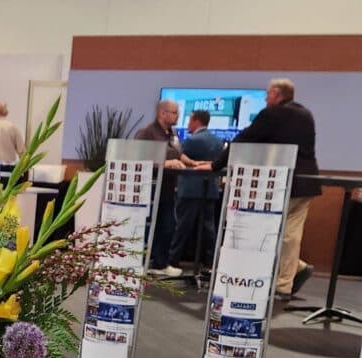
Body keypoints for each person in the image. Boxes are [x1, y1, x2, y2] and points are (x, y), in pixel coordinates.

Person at [196, 78, 320, 299]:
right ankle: (297, 269)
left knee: (275, 233)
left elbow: (243, 139)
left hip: (285, 183)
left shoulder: (273, 114)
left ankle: (283, 285)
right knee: (291, 234)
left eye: (267, 95)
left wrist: (215, 165)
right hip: (308, 183)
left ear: (277, 95)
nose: (265, 99)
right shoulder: (306, 114)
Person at [134, 100, 186, 277]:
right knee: (146, 228)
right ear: (162, 113)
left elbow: (178, 154)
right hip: (148, 190)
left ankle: (160, 263)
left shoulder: (172, 133)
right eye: (174, 112)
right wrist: (166, 163)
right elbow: (138, 158)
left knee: (167, 228)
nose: (177, 116)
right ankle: (137, 263)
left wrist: (194, 163)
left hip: (167, 190)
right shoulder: (147, 133)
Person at [170, 110, 224, 272]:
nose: (187, 124)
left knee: (182, 226)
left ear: (196, 121)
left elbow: (179, 156)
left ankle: (173, 260)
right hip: (211, 189)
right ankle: (210, 262)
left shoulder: (191, 141)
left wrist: (191, 163)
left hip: (190, 189)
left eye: (189, 120)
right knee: (209, 227)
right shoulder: (218, 141)